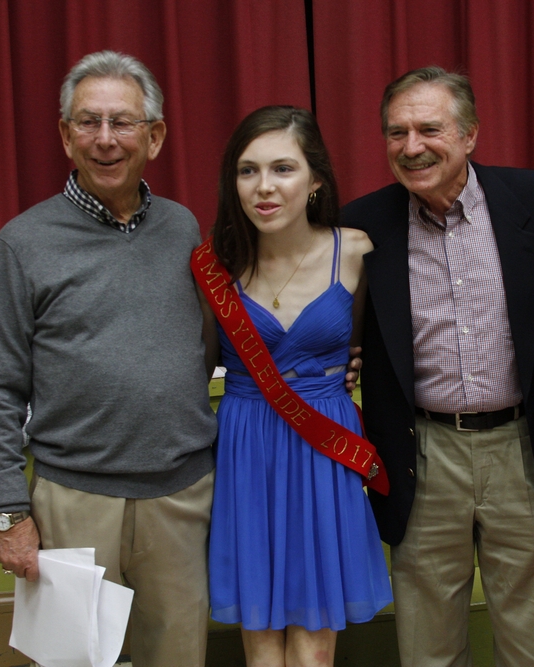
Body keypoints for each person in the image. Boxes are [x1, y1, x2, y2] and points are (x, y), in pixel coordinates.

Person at [0, 51, 218, 667]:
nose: (106, 139)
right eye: (88, 122)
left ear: (155, 136)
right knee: (74, 663)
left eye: (123, 122)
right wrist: (9, 514)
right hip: (71, 504)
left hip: (182, 500)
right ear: (65, 135)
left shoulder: (184, 229)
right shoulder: (22, 242)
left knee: (179, 658)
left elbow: (211, 348)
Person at [340, 66, 534, 667]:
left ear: (470, 134)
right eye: (397, 133)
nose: (412, 147)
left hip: (520, 447)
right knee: (428, 644)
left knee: (533, 638)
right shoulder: (360, 226)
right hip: (422, 454)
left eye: (429, 129)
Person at [201, 106, 392, 667]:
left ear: (315, 181)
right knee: (260, 639)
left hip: (323, 446)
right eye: (247, 170)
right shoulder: (211, 263)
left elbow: (386, 346)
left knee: (314, 645)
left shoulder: (356, 250)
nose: (264, 187)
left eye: (283, 169)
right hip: (245, 449)